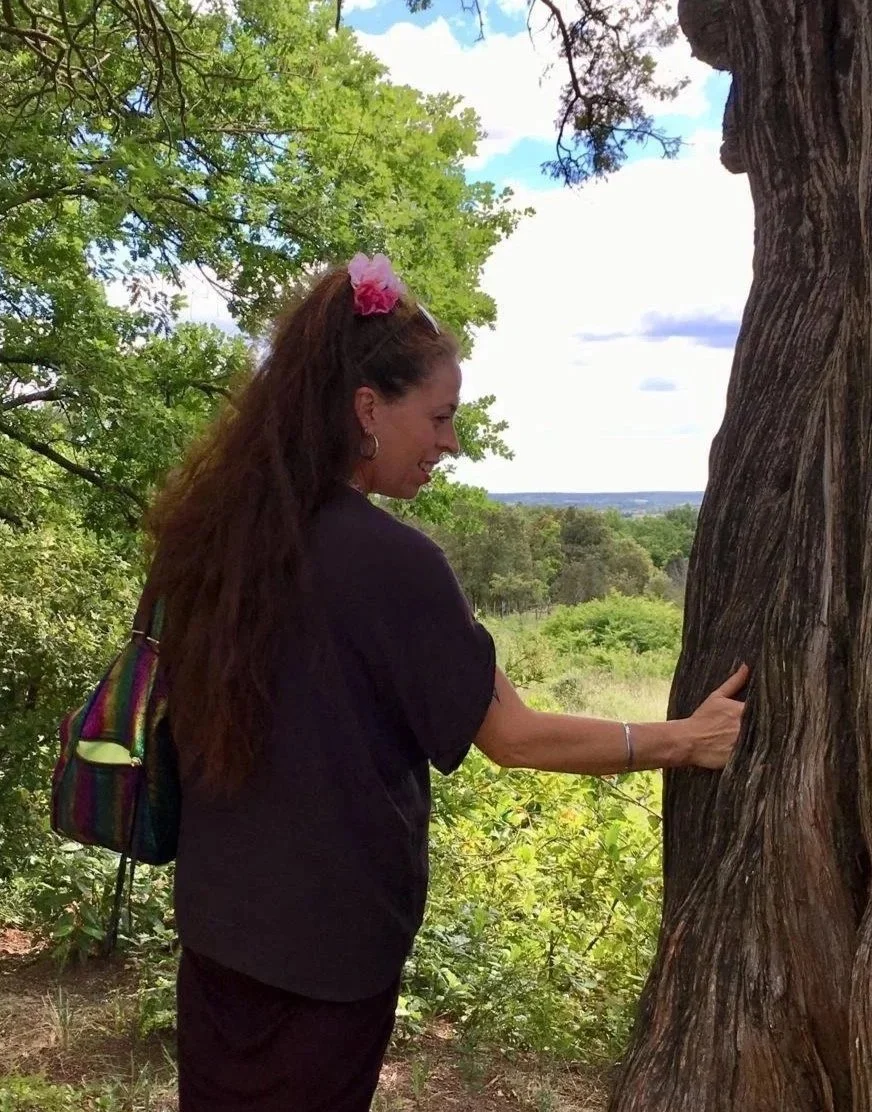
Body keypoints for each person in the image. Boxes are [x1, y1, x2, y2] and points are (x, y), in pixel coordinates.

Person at [145, 253, 747, 1112]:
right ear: (366, 410)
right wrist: (685, 739)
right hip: (329, 955)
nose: (451, 442)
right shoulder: (396, 564)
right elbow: (513, 735)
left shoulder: (211, 539)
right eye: (439, 416)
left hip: (215, 934)